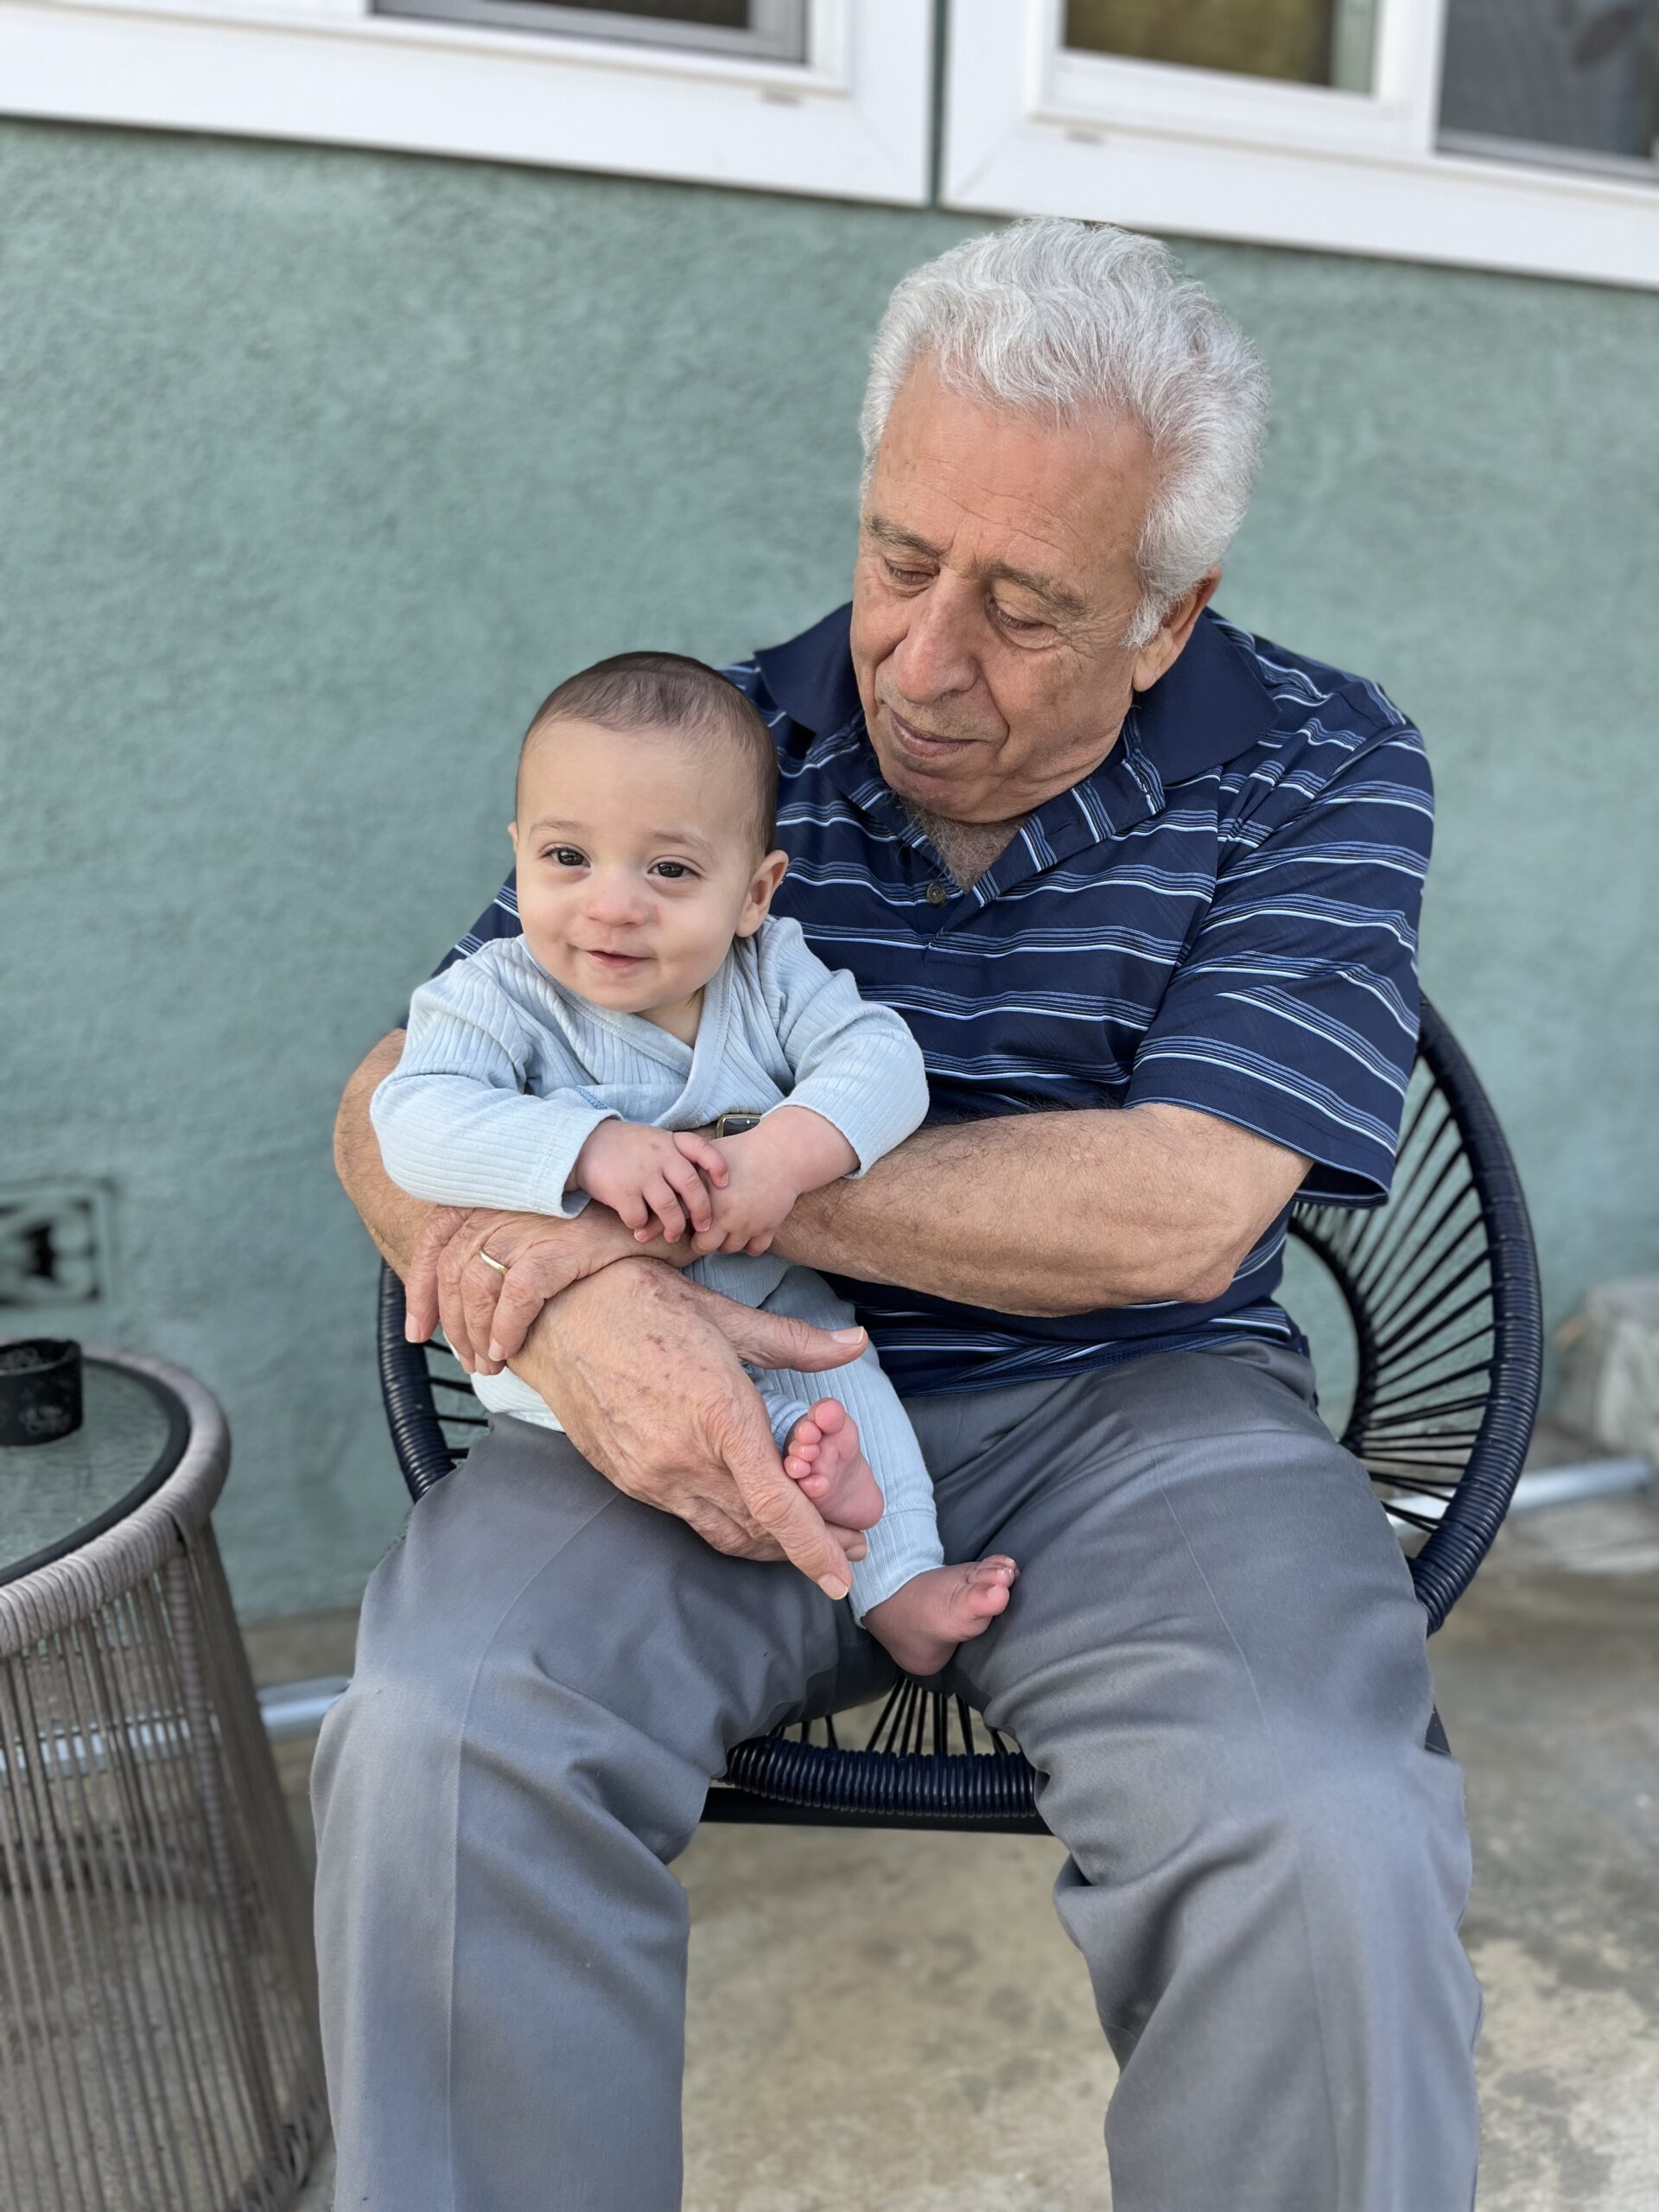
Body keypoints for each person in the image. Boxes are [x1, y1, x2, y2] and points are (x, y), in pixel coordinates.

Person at [317, 219, 1482, 2211]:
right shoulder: (711, 743)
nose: (923, 663)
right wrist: (588, 1305)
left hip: (1141, 1408)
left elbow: (1176, 1212)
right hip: (706, 1367)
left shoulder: (1317, 765)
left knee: (1323, 1819)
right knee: (445, 1736)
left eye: (1024, 607)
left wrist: (685, 1189)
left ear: (1169, 615)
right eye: (898, 556)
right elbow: (392, 1098)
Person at [369, 649, 1018, 1673]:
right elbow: (413, 1118)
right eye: (568, 857)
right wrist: (582, 1146)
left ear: (754, 892)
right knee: (739, 1412)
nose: (612, 904)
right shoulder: (496, 994)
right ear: (517, 855)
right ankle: (793, 1460)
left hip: (771, 1300)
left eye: (668, 870)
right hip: (585, 1340)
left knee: (847, 1374)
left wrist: (783, 1157)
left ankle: (897, 1581)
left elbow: (883, 1059)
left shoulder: (769, 976)